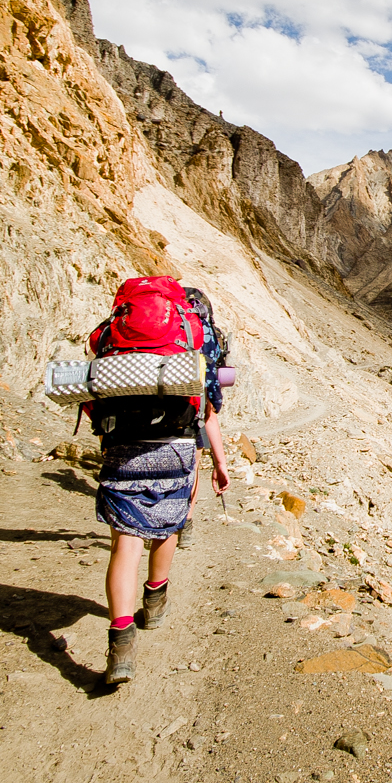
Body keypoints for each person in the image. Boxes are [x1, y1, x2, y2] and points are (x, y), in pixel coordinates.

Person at [95, 285, 231, 686]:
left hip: (122, 444)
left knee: (124, 542)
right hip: (177, 448)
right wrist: (220, 463)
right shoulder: (195, 338)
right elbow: (208, 410)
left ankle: (120, 646)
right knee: (168, 525)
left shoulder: (115, 333)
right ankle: (155, 601)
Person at [175, 286, 229, 550]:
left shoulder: (141, 336)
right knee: (191, 466)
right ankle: (185, 522)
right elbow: (211, 406)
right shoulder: (204, 334)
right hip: (186, 417)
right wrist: (220, 463)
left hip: (129, 419)